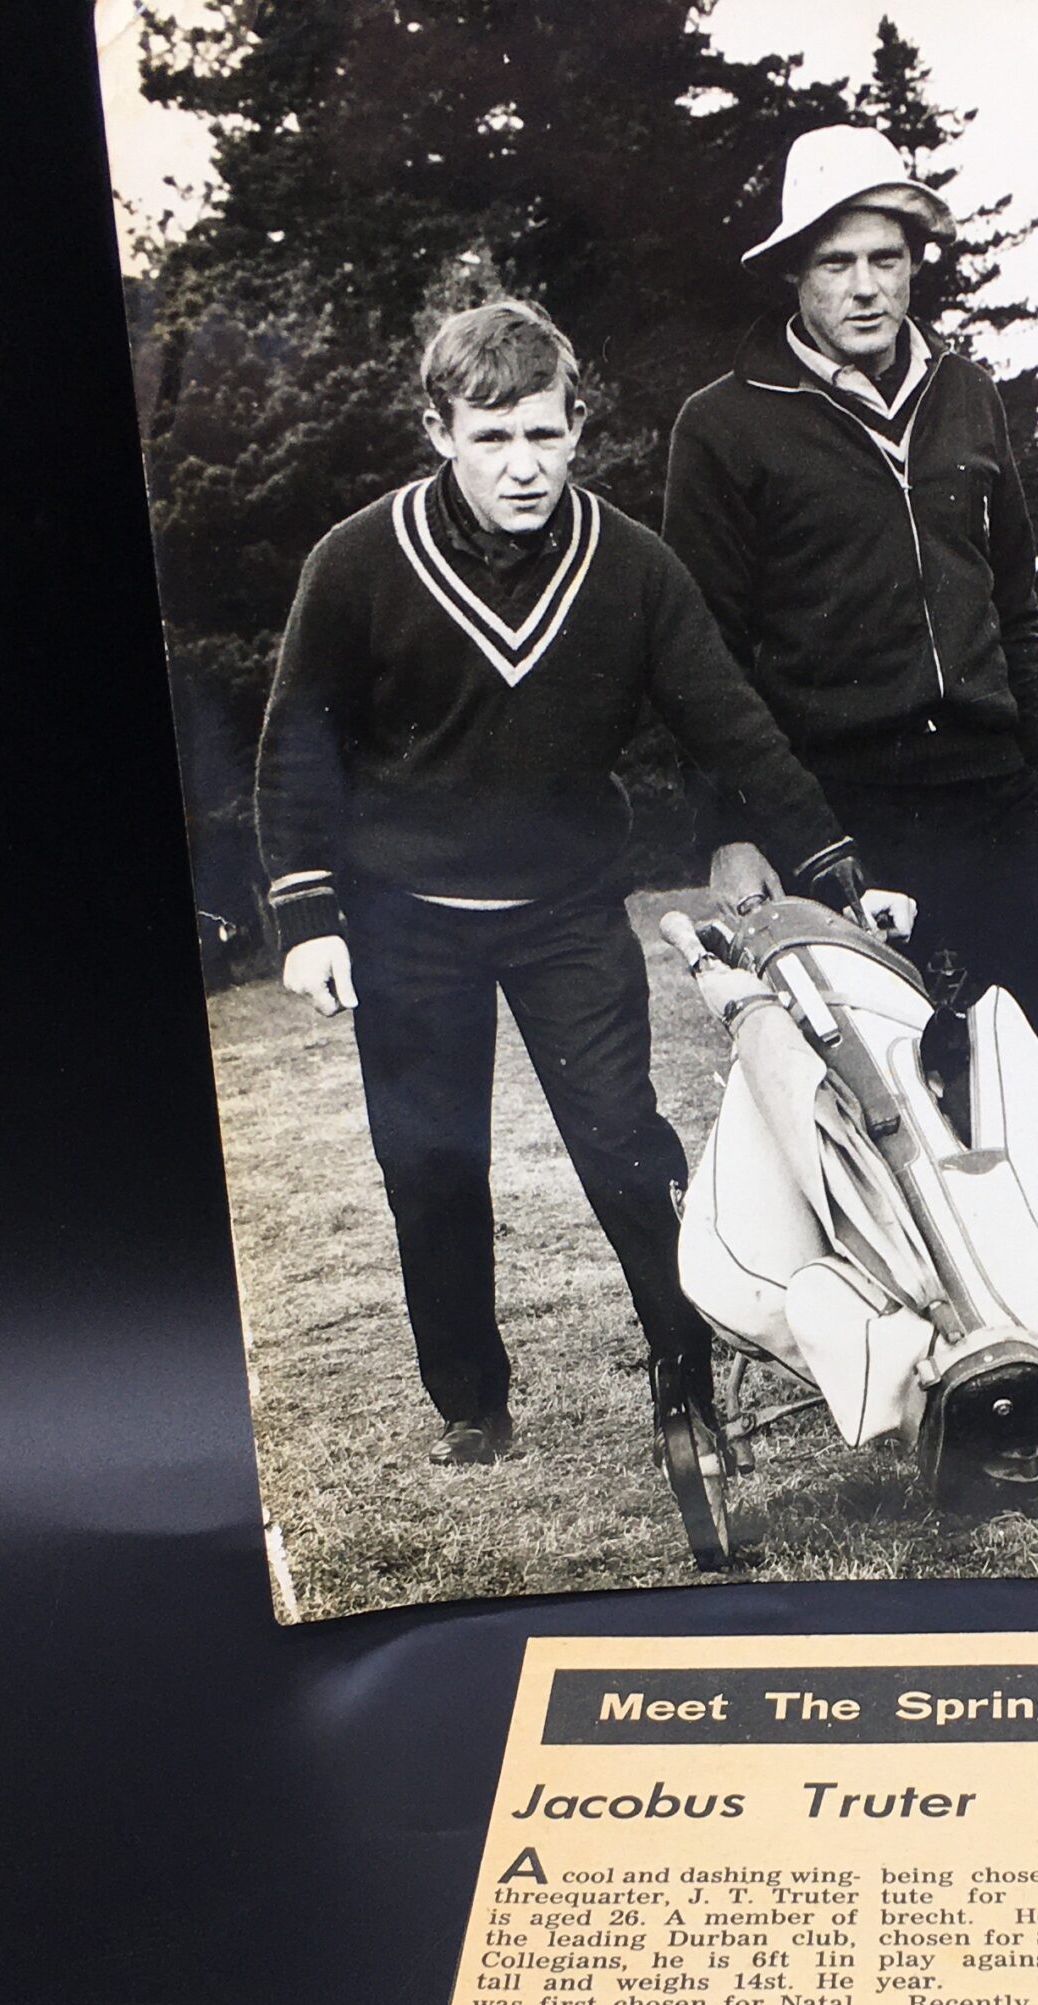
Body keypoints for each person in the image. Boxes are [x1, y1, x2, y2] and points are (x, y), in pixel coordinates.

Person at [255, 297, 874, 1469]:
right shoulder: (356, 560)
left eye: (544, 433)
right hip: (405, 919)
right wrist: (307, 914)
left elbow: (731, 723)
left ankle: (686, 1380)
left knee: (625, 1147)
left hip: (566, 915)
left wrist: (834, 864)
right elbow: (298, 743)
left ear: (578, 427)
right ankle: (470, 1404)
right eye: (491, 438)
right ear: (438, 431)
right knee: (431, 1167)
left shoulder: (632, 566)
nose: (523, 465)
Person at [662, 123, 1038, 1108]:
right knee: (882, 1093)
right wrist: (729, 830)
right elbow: (701, 659)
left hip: (988, 784)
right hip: (836, 799)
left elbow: (1012, 596)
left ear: (914, 265)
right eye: (836, 264)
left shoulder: (969, 393)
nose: (865, 287)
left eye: (886, 259)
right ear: (794, 271)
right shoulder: (725, 422)